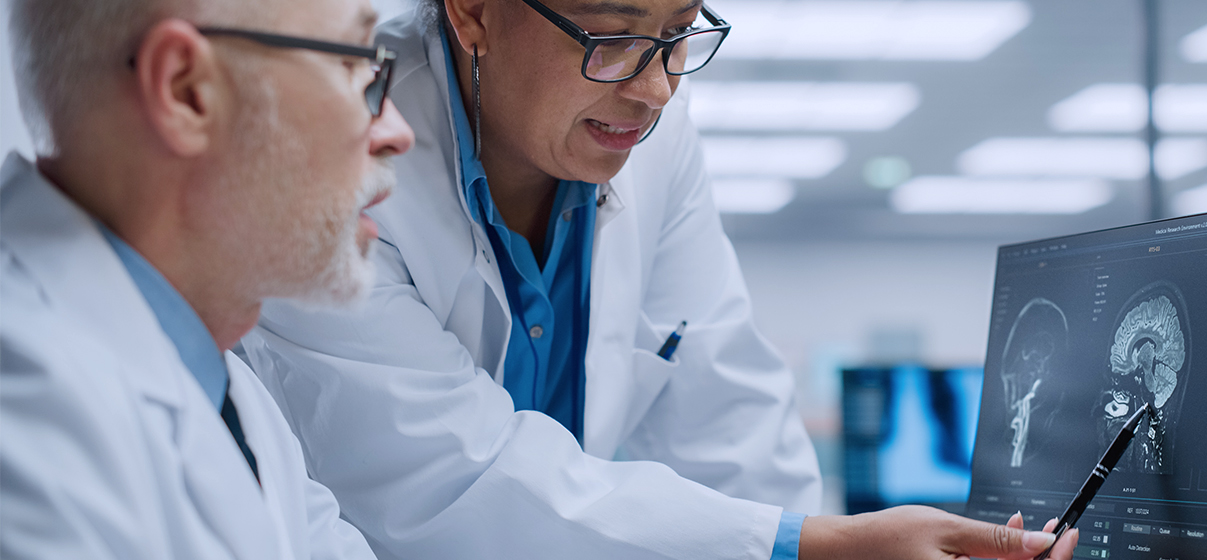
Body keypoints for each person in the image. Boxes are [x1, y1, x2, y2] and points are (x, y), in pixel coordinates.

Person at [237, 0, 1082, 558]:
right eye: (612, 36)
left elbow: (731, 417)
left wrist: (820, 541)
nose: (655, 89)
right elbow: (452, 481)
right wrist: (805, 546)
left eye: (679, 34)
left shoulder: (650, 143)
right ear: (473, 13)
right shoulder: (339, 135)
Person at [0, 0, 415, 556]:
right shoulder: (27, 419)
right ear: (186, 91)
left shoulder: (223, 381)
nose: (397, 131)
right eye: (355, 66)